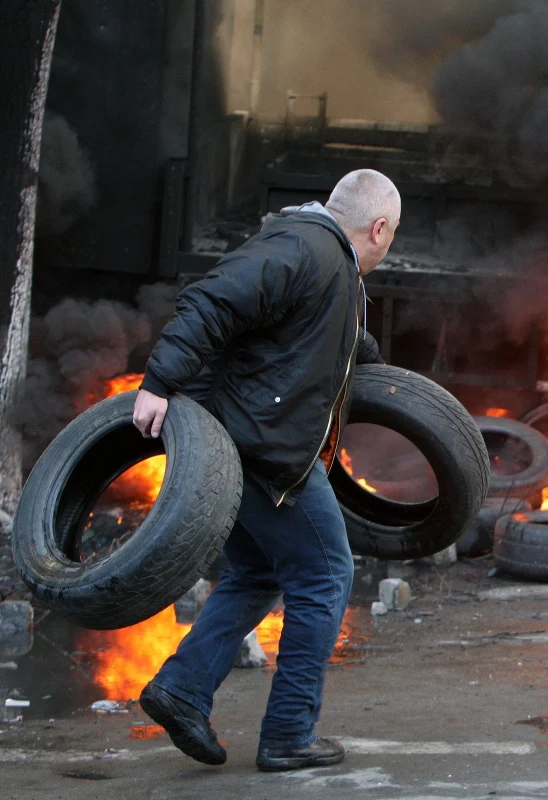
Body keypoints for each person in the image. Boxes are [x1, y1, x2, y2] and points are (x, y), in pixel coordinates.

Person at [132, 169, 400, 772]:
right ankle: (287, 734)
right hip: (261, 448)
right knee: (326, 573)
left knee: (257, 572)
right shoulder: (303, 248)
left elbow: (335, 342)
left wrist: (400, 389)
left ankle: (182, 690)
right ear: (378, 227)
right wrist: (158, 382)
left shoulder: (331, 268)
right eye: (392, 235)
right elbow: (214, 297)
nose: (390, 246)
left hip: (248, 439)